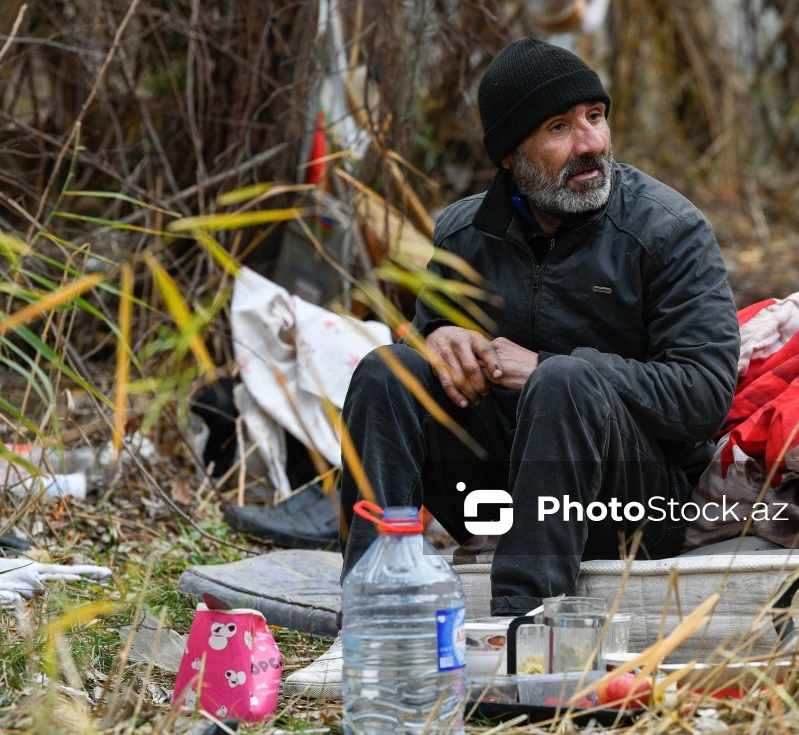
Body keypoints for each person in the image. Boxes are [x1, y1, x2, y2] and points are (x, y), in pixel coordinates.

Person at [285, 36, 739, 696]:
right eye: (559, 127)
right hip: (499, 498)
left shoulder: (669, 231)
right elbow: (430, 342)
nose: (591, 142)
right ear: (509, 157)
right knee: (387, 371)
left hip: (637, 504)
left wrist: (552, 367)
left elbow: (703, 398)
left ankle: (529, 632)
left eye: (595, 115)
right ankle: (373, 619)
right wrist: (436, 340)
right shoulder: (463, 236)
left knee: (564, 380)